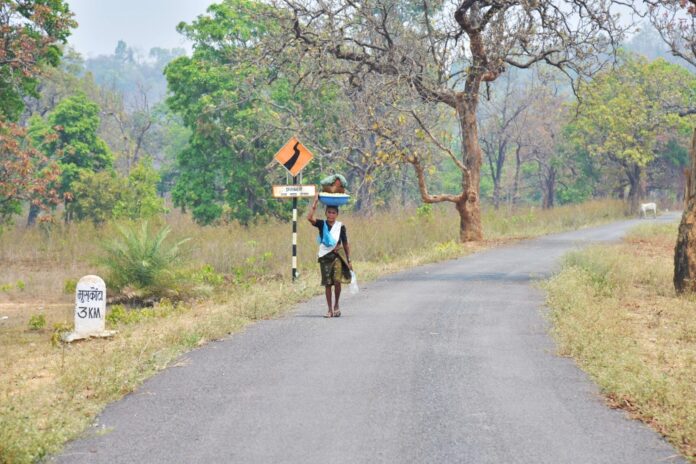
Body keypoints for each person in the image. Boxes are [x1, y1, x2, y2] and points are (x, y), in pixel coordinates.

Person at [307, 193, 353, 318]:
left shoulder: (340, 227)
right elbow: (309, 218)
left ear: (337, 214)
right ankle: (329, 309)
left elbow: (345, 244)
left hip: (337, 256)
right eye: (329, 212)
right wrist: (315, 203)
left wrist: (349, 260)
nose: (331, 215)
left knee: (337, 281)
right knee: (327, 283)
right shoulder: (322, 224)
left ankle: (336, 304)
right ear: (326, 213)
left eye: (333, 213)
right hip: (324, 257)